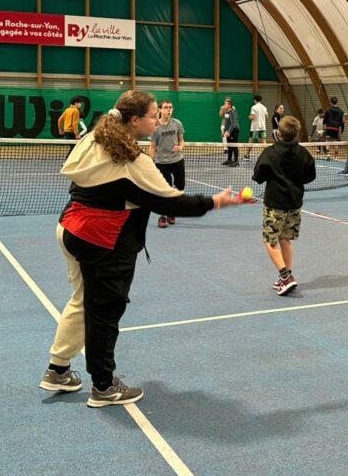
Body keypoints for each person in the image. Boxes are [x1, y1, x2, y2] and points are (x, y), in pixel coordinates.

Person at [40, 90, 249, 407]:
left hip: (70, 229)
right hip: (100, 241)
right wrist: (218, 200)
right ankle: (104, 386)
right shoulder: (134, 162)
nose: (158, 119)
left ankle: (58, 370)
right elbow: (171, 202)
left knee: (83, 301)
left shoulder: (96, 137)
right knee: (104, 313)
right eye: (153, 115)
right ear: (135, 120)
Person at [252, 116, 316, 295]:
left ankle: (285, 276)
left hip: (275, 205)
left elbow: (258, 176)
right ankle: (286, 278)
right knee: (285, 239)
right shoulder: (303, 153)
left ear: (278, 133)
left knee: (269, 241)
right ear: (296, 134)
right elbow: (310, 176)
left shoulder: (270, 153)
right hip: (295, 204)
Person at [148, 99, 185, 229]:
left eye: (170, 107)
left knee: (180, 187)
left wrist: (180, 147)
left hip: (178, 160)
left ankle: (171, 212)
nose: (168, 109)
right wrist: (150, 162)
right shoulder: (155, 128)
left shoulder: (177, 124)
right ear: (160, 110)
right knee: (165, 190)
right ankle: (163, 216)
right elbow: (152, 147)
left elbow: (181, 141)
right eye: (166, 107)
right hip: (162, 162)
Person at [246, 94, 268, 160]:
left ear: (255, 100)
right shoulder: (264, 107)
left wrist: (249, 116)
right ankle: (267, 156)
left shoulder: (254, 107)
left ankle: (247, 155)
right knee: (264, 142)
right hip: (263, 127)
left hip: (254, 128)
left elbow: (252, 117)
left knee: (251, 141)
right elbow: (267, 117)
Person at [221, 98, 240, 166]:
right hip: (229, 131)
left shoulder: (232, 112)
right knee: (229, 146)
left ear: (229, 105)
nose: (224, 105)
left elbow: (233, 124)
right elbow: (227, 123)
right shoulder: (226, 112)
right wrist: (224, 131)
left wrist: (228, 131)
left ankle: (236, 161)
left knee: (234, 146)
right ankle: (229, 160)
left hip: (234, 131)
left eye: (225, 104)